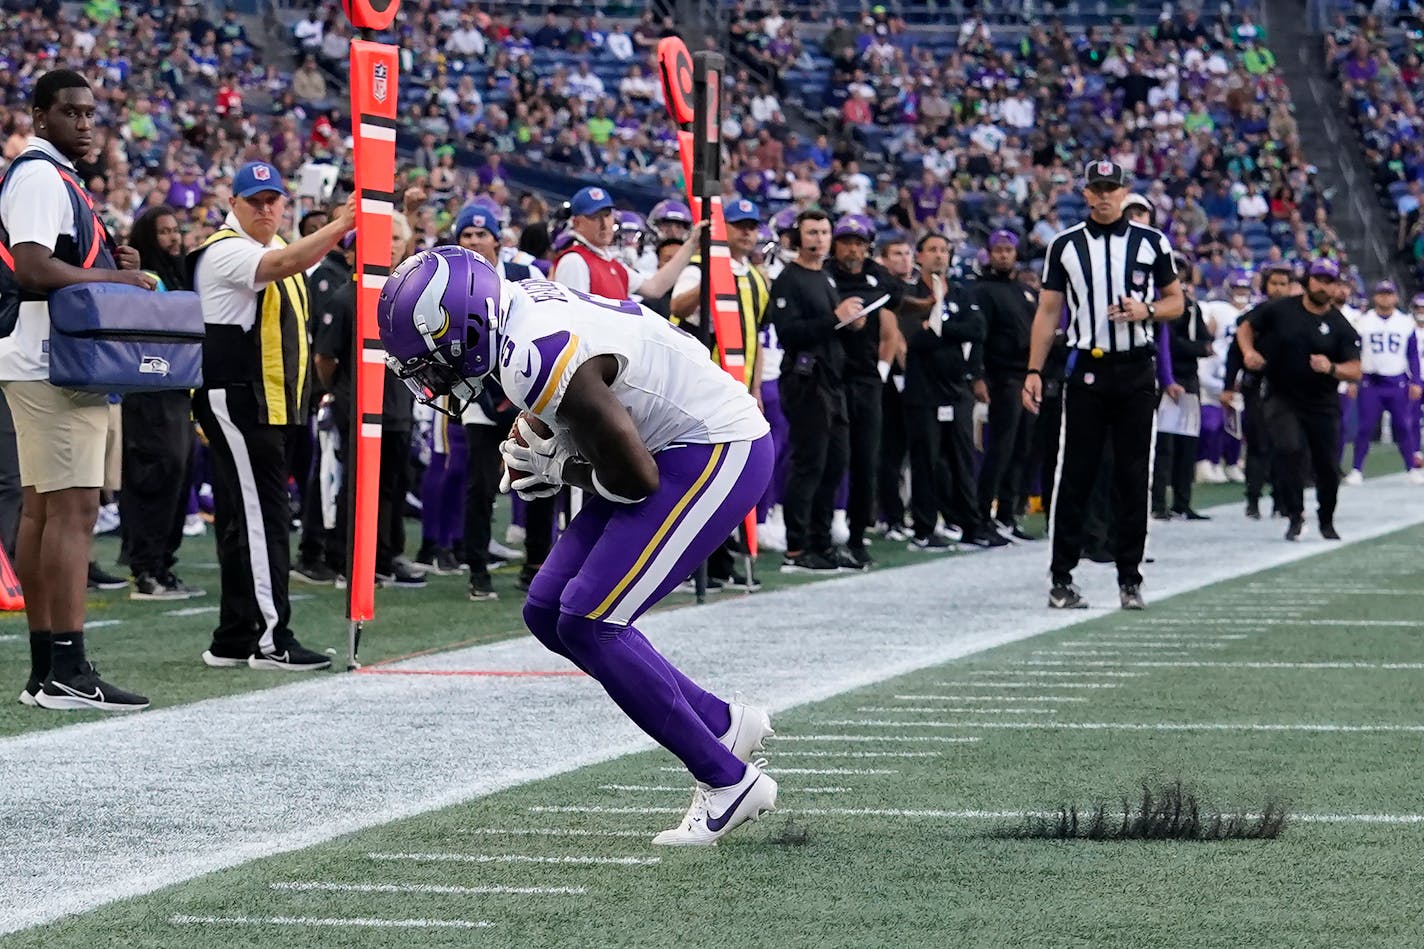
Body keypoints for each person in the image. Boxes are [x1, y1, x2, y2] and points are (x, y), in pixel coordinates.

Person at [379, 248, 777, 846]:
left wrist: (560, 466)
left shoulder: (533, 357)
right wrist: (554, 446)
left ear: (469, 327)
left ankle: (728, 780)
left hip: (714, 446)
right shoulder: (520, 310)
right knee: (547, 609)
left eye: (436, 359)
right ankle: (722, 722)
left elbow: (634, 477)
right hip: (668, 443)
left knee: (592, 620)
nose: (433, 377)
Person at [1, 70, 156, 711]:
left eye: (91, 113)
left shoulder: (52, 174)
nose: (85, 123)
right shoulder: (40, 174)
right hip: (51, 360)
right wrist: (114, 283)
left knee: (44, 512)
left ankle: (47, 669)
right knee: (73, 511)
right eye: (70, 112)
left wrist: (104, 270)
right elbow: (33, 266)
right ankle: (67, 666)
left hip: (41, 356)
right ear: (39, 117)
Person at [189, 161, 356, 671]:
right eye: (253, 200)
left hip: (267, 401)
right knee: (265, 518)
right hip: (241, 399)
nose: (264, 208)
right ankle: (271, 637)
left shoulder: (269, 247)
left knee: (246, 519)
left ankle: (236, 636)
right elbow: (283, 266)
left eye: (272, 200)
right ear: (233, 205)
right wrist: (344, 223)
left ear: (284, 204)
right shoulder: (227, 251)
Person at [1023, 159, 1183, 610]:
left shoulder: (1152, 242)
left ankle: (1129, 577)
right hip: (1088, 369)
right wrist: (1033, 371)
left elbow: (1177, 301)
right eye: (1099, 188)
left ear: (1124, 192)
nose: (1106, 195)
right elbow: (1048, 312)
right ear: (1087, 194)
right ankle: (1061, 577)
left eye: (1113, 187)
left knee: (1134, 475)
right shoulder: (1065, 245)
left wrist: (1145, 310)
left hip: (1136, 369)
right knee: (1075, 473)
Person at [668, 197, 769, 588]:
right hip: (704, 391)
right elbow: (677, 305)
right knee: (702, 475)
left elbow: (756, 335)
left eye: (752, 225)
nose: (747, 232)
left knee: (732, 480)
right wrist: (713, 277)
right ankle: (698, 563)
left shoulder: (757, 277)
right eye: (739, 224)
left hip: (740, 389)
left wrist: (756, 386)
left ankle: (724, 559)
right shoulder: (699, 268)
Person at [1235, 258, 1362, 541]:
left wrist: (1330, 368)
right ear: (1308, 280)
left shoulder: (1341, 326)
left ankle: (1326, 519)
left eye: (1329, 281)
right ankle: (1295, 514)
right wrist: (1248, 352)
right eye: (1318, 279)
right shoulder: (1281, 309)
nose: (1322, 286)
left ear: (1336, 287)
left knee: (1327, 466)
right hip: (1282, 396)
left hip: (1322, 402)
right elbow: (1245, 326)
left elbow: (1355, 370)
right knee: (1289, 450)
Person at [769, 209, 865, 572]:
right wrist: (835, 319)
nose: (820, 238)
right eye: (812, 232)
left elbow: (828, 326)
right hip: (805, 380)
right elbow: (789, 332)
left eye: (824, 232)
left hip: (832, 380)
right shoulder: (788, 279)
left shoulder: (824, 276)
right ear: (798, 237)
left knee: (835, 462)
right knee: (809, 463)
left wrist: (849, 324)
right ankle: (797, 547)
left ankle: (821, 542)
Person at [449, 200, 536, 600]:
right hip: (477, 392)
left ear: (497, 241)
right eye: (467, 235)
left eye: (481, 234)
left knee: (541, 477)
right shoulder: (449, 282)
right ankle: (478, 568)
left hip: (525, 390)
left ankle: (537, 563)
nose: (474, 241)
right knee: (480, 485)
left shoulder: (525, 274)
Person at [120, 205, 203, 600]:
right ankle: (144, 569)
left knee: (178, 475)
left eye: (176, 231)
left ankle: (164, 565)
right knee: (153, 477)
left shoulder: (180, 272)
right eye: (164, 232)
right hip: (147, 391)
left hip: (176, 391)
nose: (173, 239)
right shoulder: (141, 278)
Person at [902, 235, 1004, 550]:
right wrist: (941, 332)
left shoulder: (960, 291)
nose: (939, 256)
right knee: (926, 460)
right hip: (923, 389)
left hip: (957, 389)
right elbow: (913, 338)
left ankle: (971, 525)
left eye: (944, 250)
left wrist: (938, 329)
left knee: (962, 458)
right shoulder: (910, 294)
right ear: (919, 255)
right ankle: (924, 526)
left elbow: (978, 330)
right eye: (932, 250)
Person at [826, 215, 902, 566]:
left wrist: (883, 370)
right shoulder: (824, 274)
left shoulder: (878, 276)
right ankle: (822, 533)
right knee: (830, 460)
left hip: (867, 380)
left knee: (865, 460)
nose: (853, 249)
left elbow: (893, 312)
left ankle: (857, 535)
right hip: (831, 378)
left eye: (859, 242)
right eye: (846, 241)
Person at [973, 230, 1039, 540]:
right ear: (988, 253)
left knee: (1023, 448)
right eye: (997, 249)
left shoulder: (1026, 291)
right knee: (1001, 447)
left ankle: (1008, 514)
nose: (1002, 255)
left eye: (1007, 249)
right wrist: (979, 375)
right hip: (1002, 377)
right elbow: (978, 337)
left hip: (1027, 378)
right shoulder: (982, 291)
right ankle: (983, 514)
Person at [1221, 262, 1294, 518]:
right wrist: (1229, 386)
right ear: (1265, 286)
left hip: (1288, 388)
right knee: (1258, 443)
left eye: (1283, 284)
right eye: (1274, 283)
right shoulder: (1251, 318)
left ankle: (1282, 500)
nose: (1278, 288)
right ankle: (1253, 499)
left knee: (1286, 445)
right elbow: (1234, 354)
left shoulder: (1298, 318)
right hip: (1257, 386)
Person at [549, 186, 698, 302]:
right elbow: (573, 320)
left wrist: (691, 244)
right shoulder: (574, 261)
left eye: (607, 215)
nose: (604, 224)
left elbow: (655, 288)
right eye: (595, 217)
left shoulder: (611, 263)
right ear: (577, 223)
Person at [1150, 259, 1213, 519]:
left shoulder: (1191, 306)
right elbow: (1174, 344)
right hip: (1168, 378)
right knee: (1164, 444)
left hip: (1188, 379)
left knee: (1187, 441)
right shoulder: (1162, 307)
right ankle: (1157, 503)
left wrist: (1197, 347)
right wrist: (1196, 348)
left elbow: (1206, 343)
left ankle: (1182, 501)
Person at [1344, 280, 1422, 485]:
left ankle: (1410, 467)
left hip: (1397, 381)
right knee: (1365, 427)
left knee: (1403, 426)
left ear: (1395, 297)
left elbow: (1412, 354)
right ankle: (1357, 469)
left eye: (1389, 293)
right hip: (1370, 381)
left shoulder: (1405, 322)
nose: (1385, 297)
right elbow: (1354, 352)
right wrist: (1352, 379)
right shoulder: (1363, 321)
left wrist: (1416, 381)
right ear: (1374, 297)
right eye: (1381, 293)